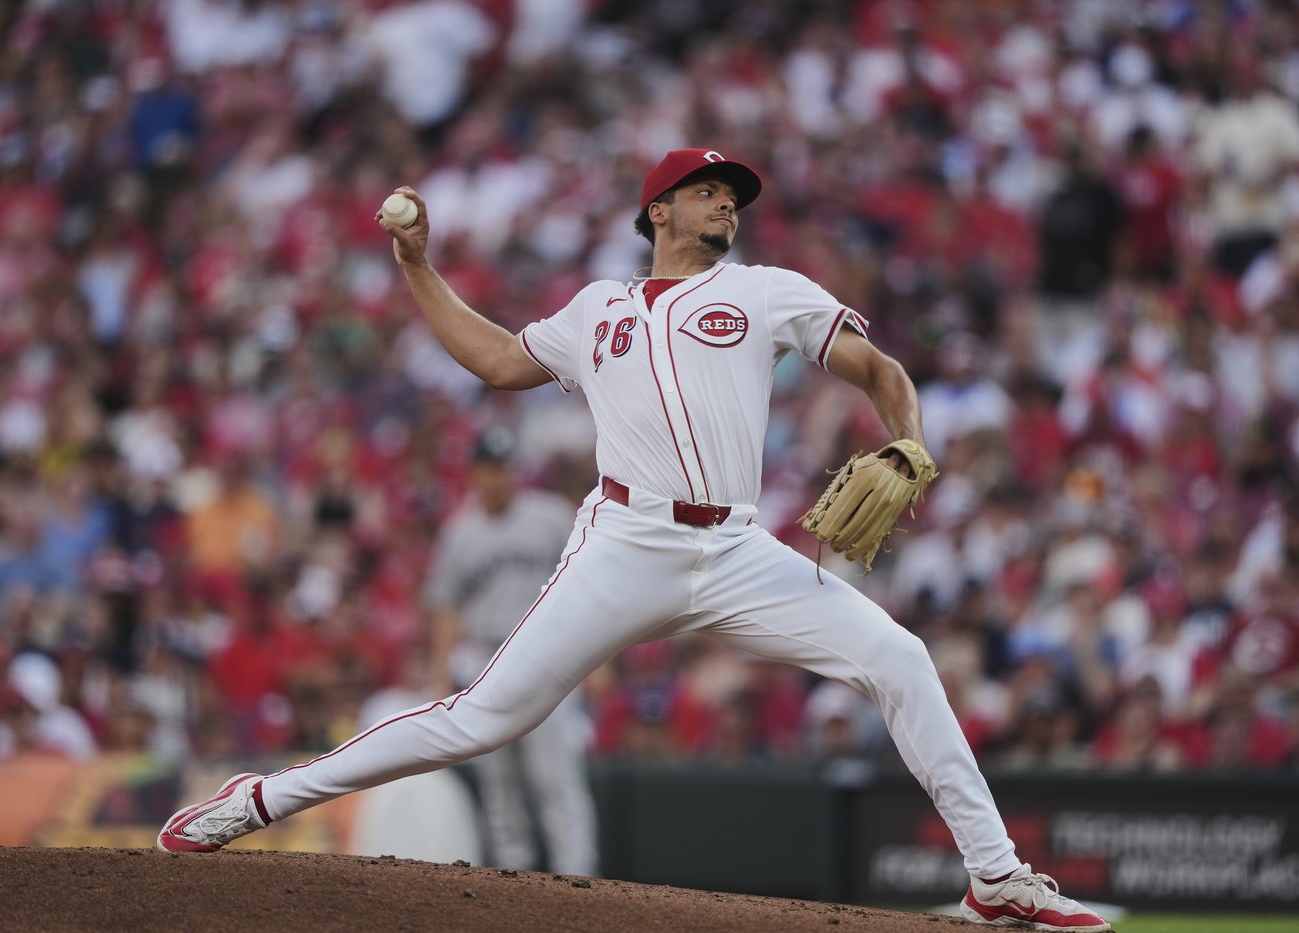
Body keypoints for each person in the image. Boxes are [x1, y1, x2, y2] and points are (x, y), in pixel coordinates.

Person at [157, 148, 1111, 932]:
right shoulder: (596, 309)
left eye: (732, 196)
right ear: (659, 210)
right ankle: (261, 799)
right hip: (626, 541)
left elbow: (879, 366)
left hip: (738, 551)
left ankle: (996, 876)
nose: (725, 204)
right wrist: (417, 267)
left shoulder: (768, 291)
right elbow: (495, 359)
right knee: (485, 717)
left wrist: (904, 437)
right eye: (707, 191)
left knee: (900, 658)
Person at [422, 426, 598, 875]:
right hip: (487, 656)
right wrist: (440, 676)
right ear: (475, 474)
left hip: (548, 653)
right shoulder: (460, 533)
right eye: (487, 468)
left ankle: (577, 877)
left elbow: (586, 581)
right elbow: (445, 609)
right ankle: (510, 880)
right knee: (499, 780)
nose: (496, 477)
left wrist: (596, 654)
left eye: (502, 468)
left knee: (555, 776)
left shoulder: (548, 516)